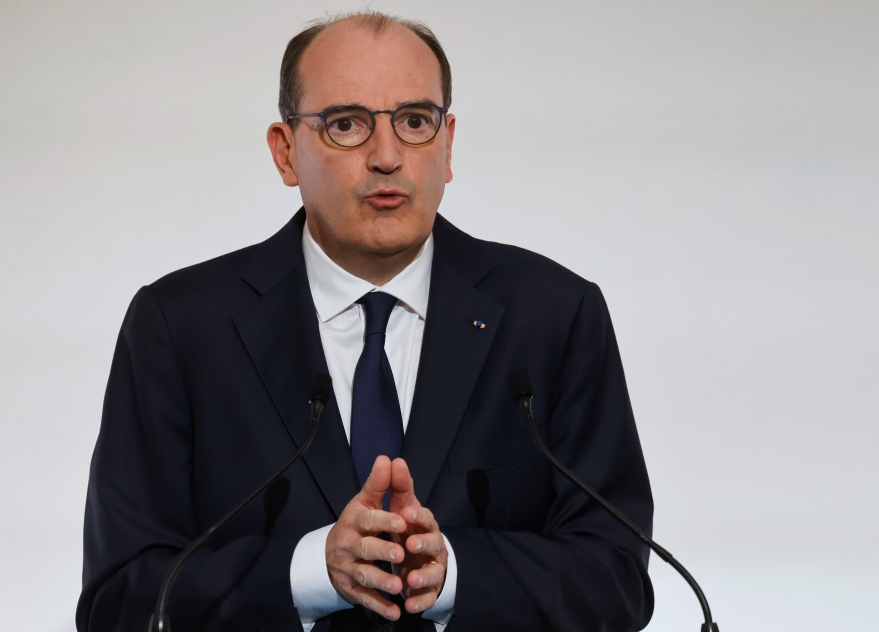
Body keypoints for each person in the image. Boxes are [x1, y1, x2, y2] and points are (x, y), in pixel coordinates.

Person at [77, 11, 654, 632]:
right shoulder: (180, 327)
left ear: (449, 144)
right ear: (285, 151)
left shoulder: (555, 316)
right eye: (346, 124)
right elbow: (120, 601)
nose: (387, 157)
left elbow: (616, 577)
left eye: (414, 122)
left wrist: (456, 571)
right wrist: (310, 571)